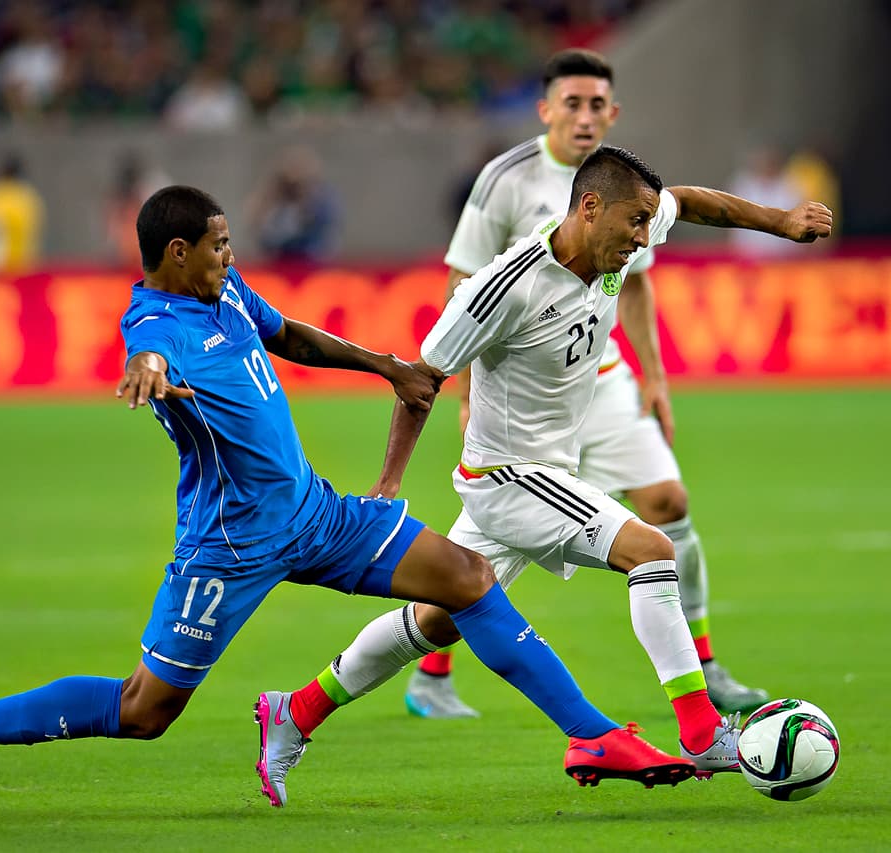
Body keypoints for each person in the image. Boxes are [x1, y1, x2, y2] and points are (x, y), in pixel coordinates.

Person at [0, 184, 699, 811]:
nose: (230, 256)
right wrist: (148, 373)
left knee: (468, 578)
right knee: (144, 710)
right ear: (176, 253)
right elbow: (150, 355)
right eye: (218, 246)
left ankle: (592, 735)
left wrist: (384, 365)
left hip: (314, 515)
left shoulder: (226, 292)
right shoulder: (157, 325)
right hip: (229, 547)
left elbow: (291, 335)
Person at [258, 146, 832, 804]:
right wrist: (388, 485)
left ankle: (295, 710)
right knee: (651, 550)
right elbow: (421, 379)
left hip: (543, 473)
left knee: (437, 620)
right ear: (589, 208)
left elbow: (695, 201)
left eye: (648, 223)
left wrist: (780, 222)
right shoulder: (506, 286)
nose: (643, 238)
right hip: (507, 476)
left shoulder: (621, 240)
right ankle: (702, 731)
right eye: (634, 222)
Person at [406, 48, 815, 720]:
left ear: (614, 112)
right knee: (484, 555)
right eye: (573, 102)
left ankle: (704, 665)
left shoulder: (631, 191)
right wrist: (469, 391)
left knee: (666, 502)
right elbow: (464, 287)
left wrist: (654, 375)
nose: (586, 115)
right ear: (546, 110)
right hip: (527, 394)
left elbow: (642, 276)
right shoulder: (506, 180)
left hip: (602, 380)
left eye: (598, 104)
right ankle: (430, 670)